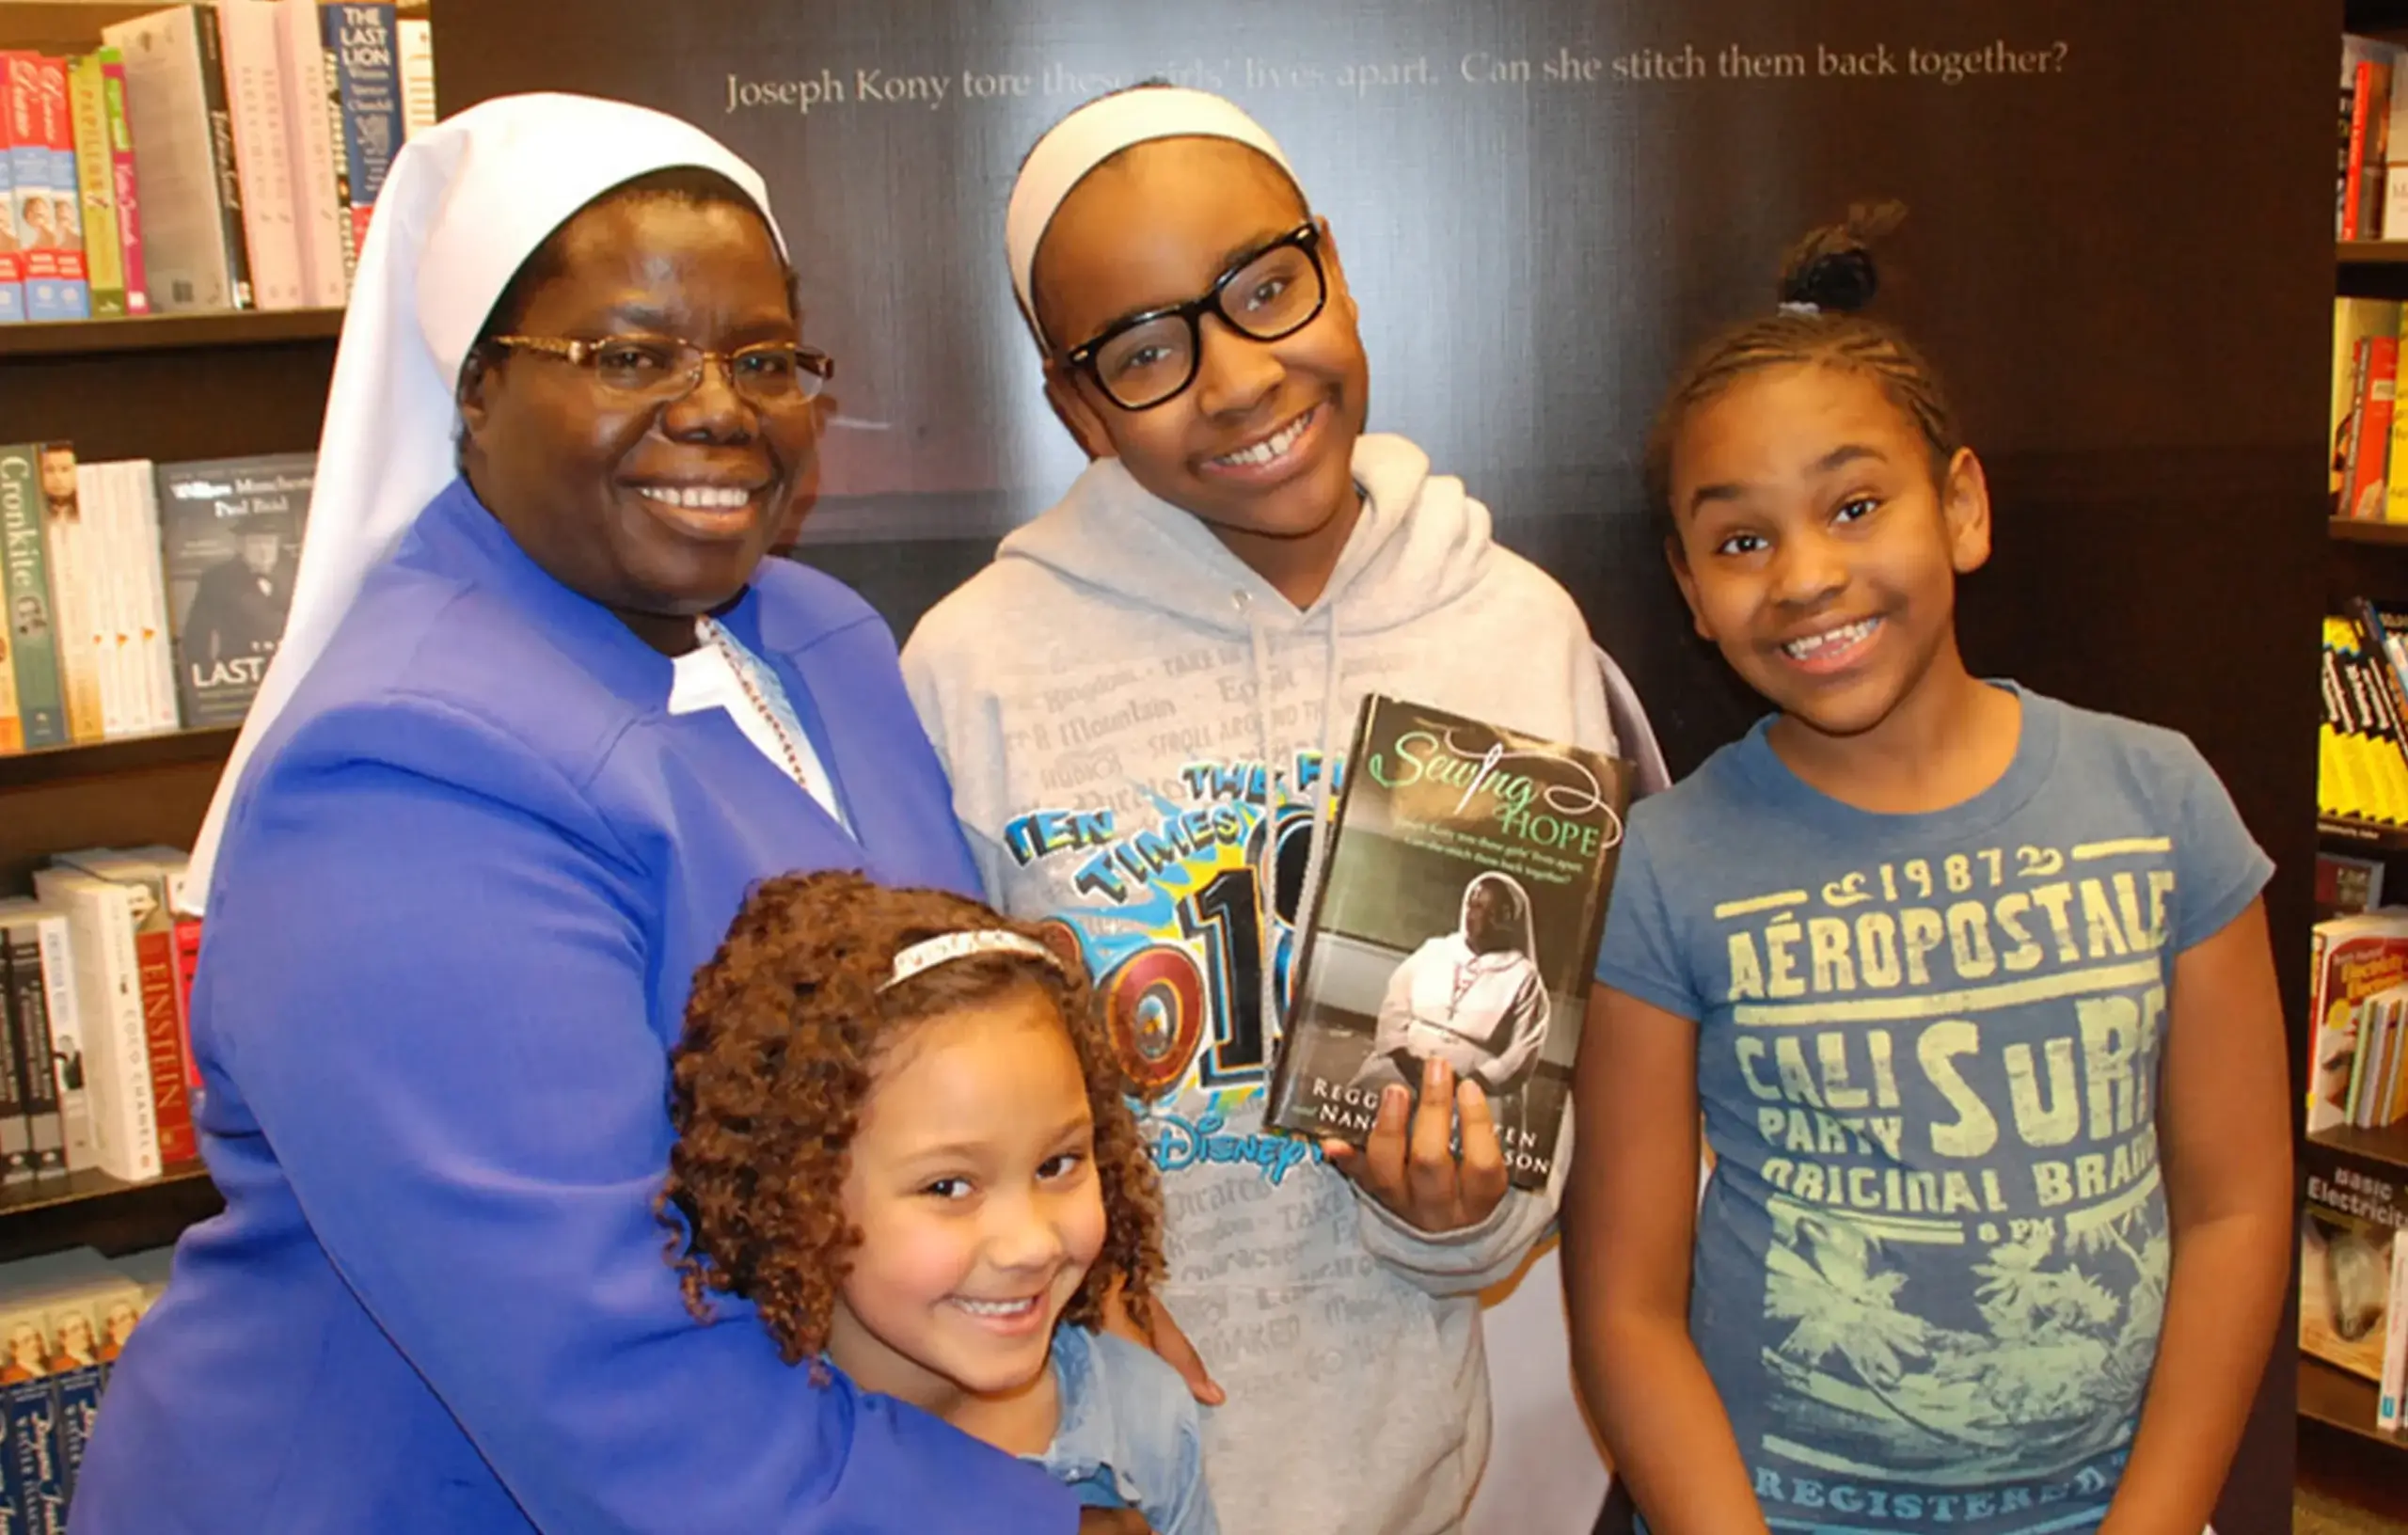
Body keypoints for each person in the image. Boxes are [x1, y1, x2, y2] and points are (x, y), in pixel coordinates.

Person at [69, 93, 1104, 1533]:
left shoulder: (820, 640)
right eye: (630, 354)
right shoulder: (399, 774)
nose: (717, 408)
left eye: (763, 357)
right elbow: (603, 1384)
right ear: (477, 390)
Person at [903, 83, 1664, 1535]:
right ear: (1074, 404)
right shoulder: (971, 669)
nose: (1239, 375)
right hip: (1074, 1485)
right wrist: (1068, 1289)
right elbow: (910, 1121)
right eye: (1144, 350)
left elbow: (1544, 1120)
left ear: (1336, 265)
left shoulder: (1510, 628)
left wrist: (1460, 1218)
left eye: (1266, 288)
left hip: (1409, 1483)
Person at [1562, 207, 2292, 1535]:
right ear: (1685, 584)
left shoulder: (2158, 799)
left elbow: (2237, 1205)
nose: (1806, 576)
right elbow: (1622, 1301)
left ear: (1960, 506)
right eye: (1740, 542)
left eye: (1855, 506)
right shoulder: (1670, 864)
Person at [663, 869, 1218, 1533]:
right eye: (948, 1187)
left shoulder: (1145, 1426)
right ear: (800, 1197)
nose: (1031, 1243)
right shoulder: (734, 1453)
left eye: (1057, 1164)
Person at [1354, 870, 1548, 1104]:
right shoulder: (1435, 949)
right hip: (1405, 1064)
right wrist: (1404, 1058)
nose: (1475, 915)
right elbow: (1396, 1005)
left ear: (1508, 919)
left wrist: (1473, 1081)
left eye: (1490, 910)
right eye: (1473, 905)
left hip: (1474, 1085)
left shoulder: (1523, 976)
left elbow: (1523, 1048)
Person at [179, 514, 294, 669]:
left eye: (269, 542)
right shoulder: (217, 579)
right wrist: (205, 676)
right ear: (240, 546)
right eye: (255, 543)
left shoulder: (298, 573)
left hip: (291, 667)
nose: (263, 550)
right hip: (240, 671)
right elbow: (197, 634)